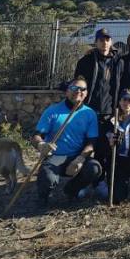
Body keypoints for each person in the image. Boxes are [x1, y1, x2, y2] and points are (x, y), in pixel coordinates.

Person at [33, 77, 102, 208]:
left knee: (94, 168)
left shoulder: (90, 114)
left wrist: (81, 158)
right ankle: (43, 197)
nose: (78, 91)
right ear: (67, 91)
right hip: (56, 156)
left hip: (76, 156)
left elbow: (91, 142)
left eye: (82, 89)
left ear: (86, 93)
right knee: (47, 177)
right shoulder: (53, 111)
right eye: (74, 88)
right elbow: (36, 136)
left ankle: (71, 190)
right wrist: (41, 145)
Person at [73, 27, 118, 196]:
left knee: (103, 149)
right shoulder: (86, 61)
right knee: (84, 147)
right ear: (96, 41)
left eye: (107, 39)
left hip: (108, 112)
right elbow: (78, 84)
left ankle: (99, 181)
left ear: (111, 42)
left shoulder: (117, 61)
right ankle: (82, 182)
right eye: (101, 40)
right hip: (88, 112)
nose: (104, 42)